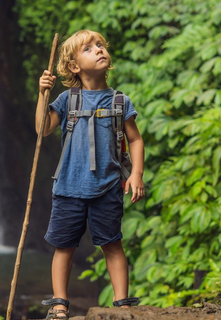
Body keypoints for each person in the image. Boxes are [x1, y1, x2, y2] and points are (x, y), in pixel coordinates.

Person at [35, 29, 145, 320]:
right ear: (74, 66)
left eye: (101, 45)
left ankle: (122, 305)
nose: (99, 50)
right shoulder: (67, 100)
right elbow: (42, 128)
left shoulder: (119, 102)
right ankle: (60, 304)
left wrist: (136, 174)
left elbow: (135, 140)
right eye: (89, 48)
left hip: (107, 186)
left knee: (112, 243)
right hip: (68, 187)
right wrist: (43, 94)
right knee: (64, 246)